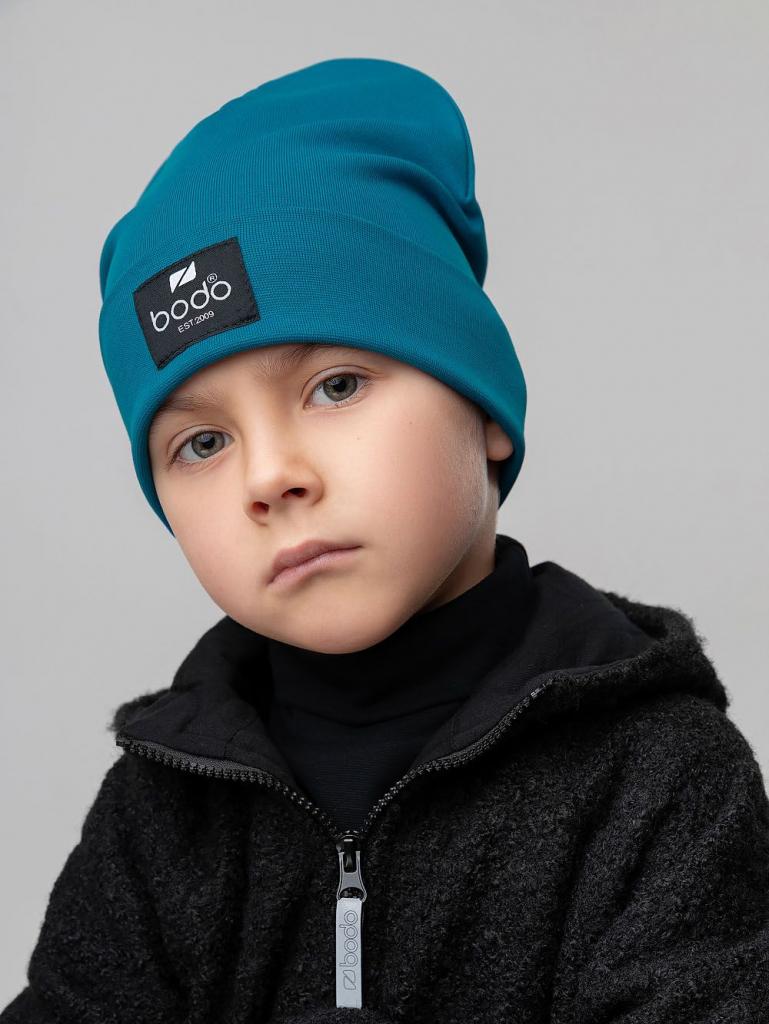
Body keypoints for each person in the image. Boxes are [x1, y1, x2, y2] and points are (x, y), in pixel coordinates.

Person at [3, 57, 768, 1024]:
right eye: (201, 443)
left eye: (335, 386)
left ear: (482, 409)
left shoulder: (659, 779)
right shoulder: (161, 812)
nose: (269, 476)